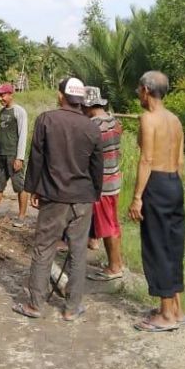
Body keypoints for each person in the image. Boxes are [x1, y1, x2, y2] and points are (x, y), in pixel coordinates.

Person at [12, 78, 103, 322]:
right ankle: (72, 307)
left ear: (60, 95)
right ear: (81, 99)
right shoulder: (92, 127)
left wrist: (32, 189)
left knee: (44, 248)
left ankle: (35, 304)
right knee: (78, 252)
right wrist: (95, 194)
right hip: (83, 198)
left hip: (54, 197)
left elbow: (37, 158)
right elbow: (97, 167)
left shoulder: (46, 120)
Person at [129, 71, 185, 332]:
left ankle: (166, 315)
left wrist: (138, 197)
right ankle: (176, 308)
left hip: (157, 182)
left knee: (157, 246)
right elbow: (181, 160)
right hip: (175, 182)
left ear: (145, 90)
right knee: (173, 245)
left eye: (139, 91)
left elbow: (146, 160)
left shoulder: (148, 118)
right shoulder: (175, 119)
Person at [82, 86, 125, 281]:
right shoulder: (114, 122)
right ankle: (116, 262)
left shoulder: (93, 126)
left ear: (88, 105)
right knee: (113, 223)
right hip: (114, 179)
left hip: (101, 183)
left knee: (108, 226)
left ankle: (114, 267)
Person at [0, 83, 30, 228]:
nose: (0, 98)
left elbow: (23, 135)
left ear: (10, 95)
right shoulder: (1, 112)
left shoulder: (19, 112)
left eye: (2, 95)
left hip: (13, 155)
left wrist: (19, 157)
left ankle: (21, 216)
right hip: (1, 156)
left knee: (20, 186)